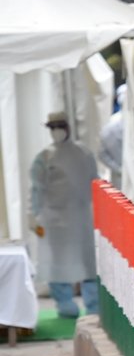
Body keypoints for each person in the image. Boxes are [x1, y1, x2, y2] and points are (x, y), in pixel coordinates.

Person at [29, 112, 99, 317]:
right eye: (53, 127)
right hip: (54, 220)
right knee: (57, 262)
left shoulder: (84, 153)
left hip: (82, 217)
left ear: (68, 127)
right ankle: (66, 306)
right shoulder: (44, 157)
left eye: (59, 126)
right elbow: (36, 189)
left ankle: (93, 306)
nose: (57, 130)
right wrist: (32, 215)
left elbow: (95, 184)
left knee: (87, 263)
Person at [99, 84, 126, 190]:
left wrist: (117, 168)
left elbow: (101, 153)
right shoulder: (112, 125)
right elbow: (102, 153)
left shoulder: (110, 125)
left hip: (119, 175)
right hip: (121, 177)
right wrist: (118, 169)